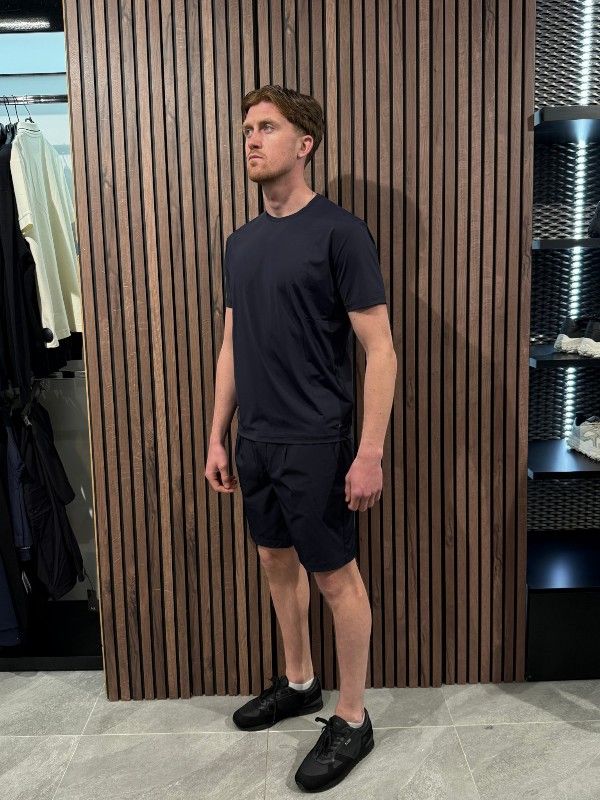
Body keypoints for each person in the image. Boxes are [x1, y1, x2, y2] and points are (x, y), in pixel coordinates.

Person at [205, 84, 396, 793]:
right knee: (274, 563)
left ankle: (352, 717)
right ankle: (299, 681)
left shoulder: (340, 233)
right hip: (255, 439)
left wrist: (369, 452)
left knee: (335, 577)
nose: (251, 140)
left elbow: (381, 350)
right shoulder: (241, 243)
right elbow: (232, 344)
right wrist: (217, 436)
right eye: (246, 130)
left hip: (317, 439)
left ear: (304, 143)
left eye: (266, 127)